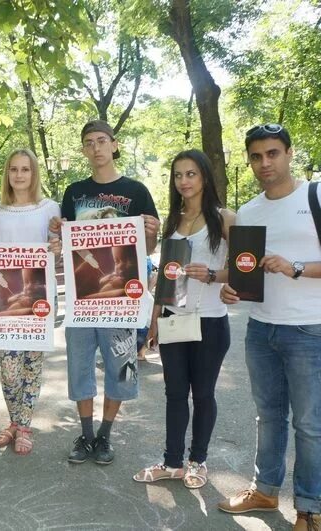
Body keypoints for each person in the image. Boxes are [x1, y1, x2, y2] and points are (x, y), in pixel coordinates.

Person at [217, 124, 321, 530]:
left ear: (289, 153)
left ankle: (310, 509)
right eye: (257, 156)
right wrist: (232, 291)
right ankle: (265, 491)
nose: (265, 163)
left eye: (273, 153)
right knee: (269, 417)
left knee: (310, 424)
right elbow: (243, 275)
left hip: (309, 330)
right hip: (261, 330)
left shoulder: (314, 196)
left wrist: (295, 267)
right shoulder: (250, 212)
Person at [50, 120, 160, 465]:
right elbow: (65, 244)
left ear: (114, 144)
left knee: (121, 368)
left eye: (101, 141)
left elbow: (150, 246)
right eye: (88, 143)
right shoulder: (73, 193)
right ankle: (84, 434)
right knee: (80, 366)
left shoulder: (137, 191)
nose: (95, 147)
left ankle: (105, 436)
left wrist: (153, 232)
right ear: (83, 150)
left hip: (122, 298)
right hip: (84, 297)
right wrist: (58, 234)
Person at [132, 149, 235, 490]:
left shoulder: (225, 218)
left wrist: (213, 274)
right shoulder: (173, 221)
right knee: (175, 394)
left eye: (191, 174)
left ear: (205, 176)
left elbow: (245, 267)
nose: (184, 181)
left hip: (209, 322)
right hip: (174, 319)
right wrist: (154, 320)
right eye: (178, 175)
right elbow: (166, 274)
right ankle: (173, 462)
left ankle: (198, 461)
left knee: (203, 394)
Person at [0, 148, 61, 455]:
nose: (19, 175)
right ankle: (13, 419)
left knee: (31, 365)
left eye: (25, 169)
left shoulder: (50, 208)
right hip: (3, 299)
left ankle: (24, 426)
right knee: (9, 368)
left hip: (38, 298)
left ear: (34, 174)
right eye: (14, 169)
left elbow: (56, 252)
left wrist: (56, 248)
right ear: (7, 174)